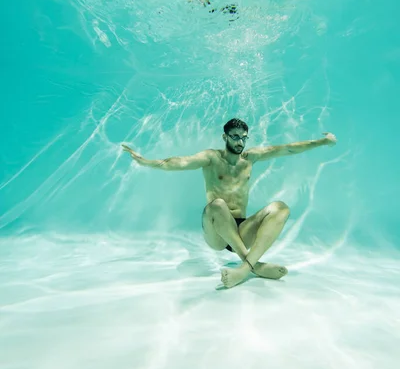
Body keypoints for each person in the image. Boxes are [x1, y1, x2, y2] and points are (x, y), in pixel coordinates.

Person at [122, 118, 337, 289]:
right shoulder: (211, 158)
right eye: (235, 137)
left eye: (244, 137)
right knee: (217, 204)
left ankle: (243, 269)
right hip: (217, 230)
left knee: (281, 208)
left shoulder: (250, 158)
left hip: (241, 230)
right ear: (224, 136)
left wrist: (322, 142)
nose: (240, 142)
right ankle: (253, 264)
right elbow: (179, 162)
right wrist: (147, 162)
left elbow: (287, 149)